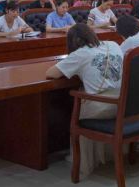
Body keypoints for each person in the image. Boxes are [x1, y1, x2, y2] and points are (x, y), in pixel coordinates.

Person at [45, 23, 123, 176]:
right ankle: (105, 155)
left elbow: (51, 73)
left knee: (80, 97)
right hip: (123, 104)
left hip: (101, 107)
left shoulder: (80, 54)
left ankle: (82, 159)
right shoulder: (113, 44)